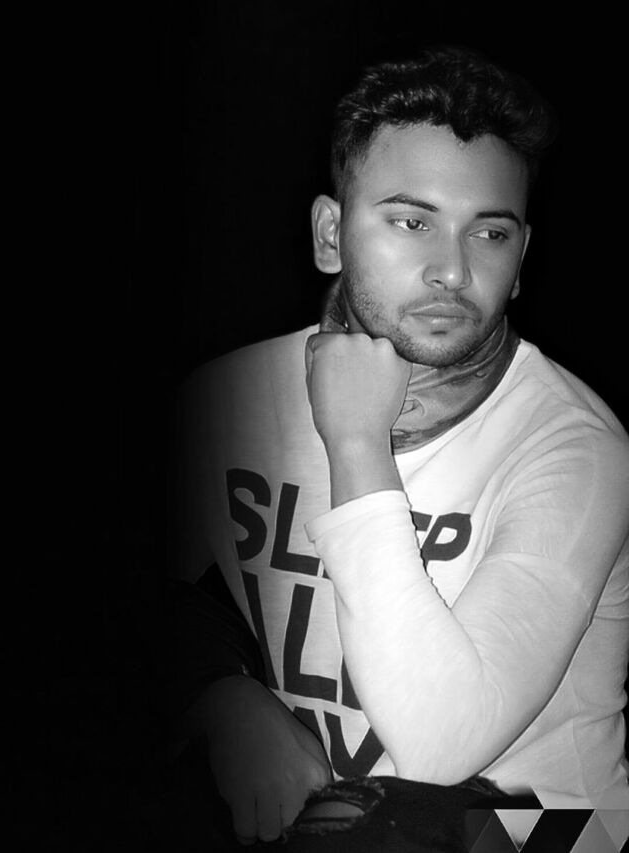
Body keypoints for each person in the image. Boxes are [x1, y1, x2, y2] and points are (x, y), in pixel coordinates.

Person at [171, 45, 629, 847]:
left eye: (490, 232)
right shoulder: (223, 396)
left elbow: (438, 745)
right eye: (412, 221)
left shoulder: (578, 447)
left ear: (521, 259)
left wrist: (355, 440)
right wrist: (217, 694)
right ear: (330, 233)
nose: (452, 269)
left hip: (541, 826)